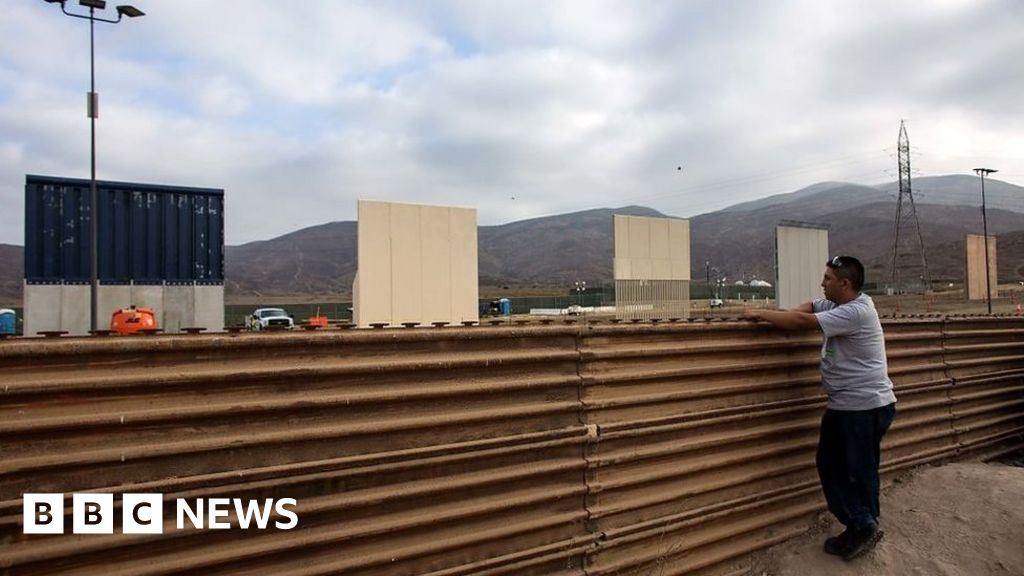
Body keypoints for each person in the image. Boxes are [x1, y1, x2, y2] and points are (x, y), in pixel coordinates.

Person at [743, 255, 896, 561]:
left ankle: (863, 525)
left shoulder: (857, 311)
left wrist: (758, 313)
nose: (822, 283)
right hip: (850, 405)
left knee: (846, 468)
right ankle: (862, 524)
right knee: (845, 466)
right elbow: (809, 308)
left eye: (827, 279)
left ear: (845, 283)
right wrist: (786, 313)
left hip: (861, 407)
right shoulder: (836, 304)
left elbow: (801, 322)